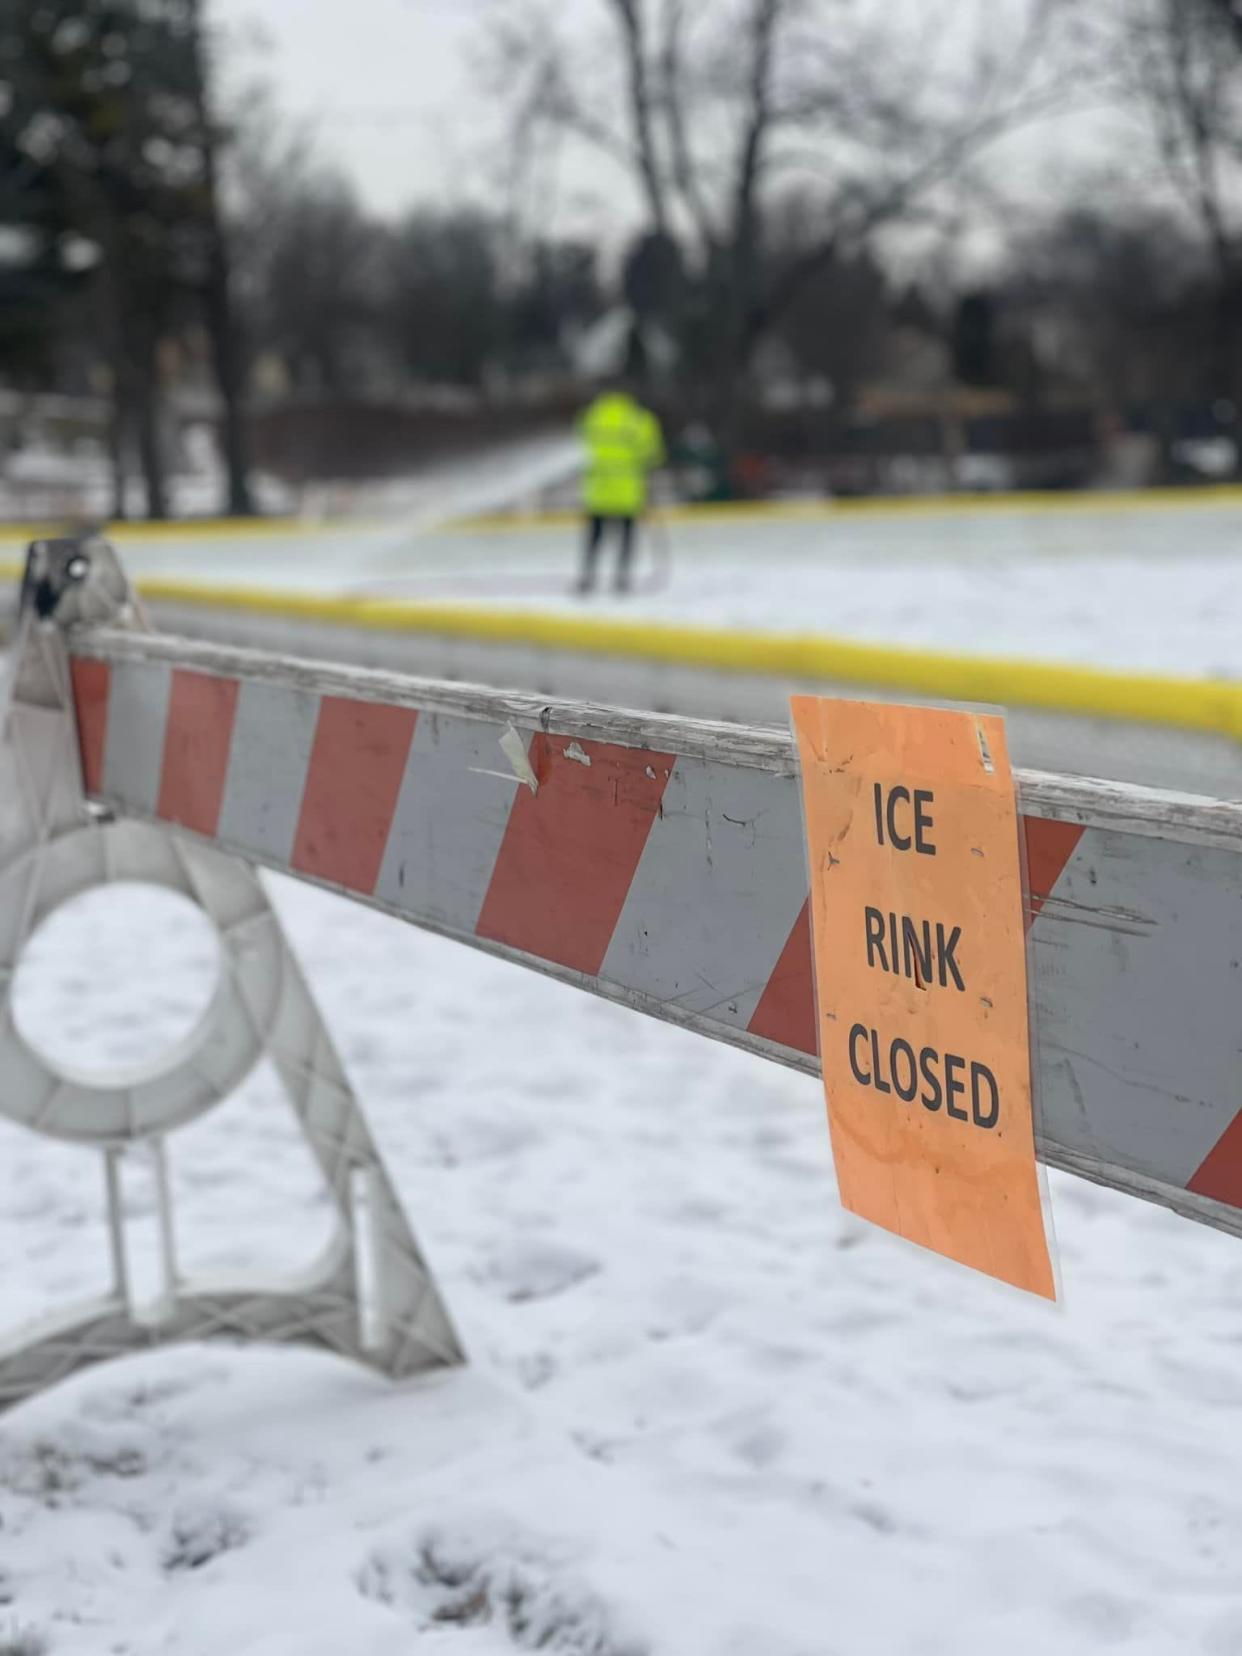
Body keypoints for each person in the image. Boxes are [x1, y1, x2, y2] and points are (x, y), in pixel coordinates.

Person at [576, 380, 665, 595]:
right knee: (626, 536)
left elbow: (579, 443)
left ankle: (588, 578)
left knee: (595, 536)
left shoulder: (592, 416)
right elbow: (653, 454)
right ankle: (621, 579)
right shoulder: (638, 419)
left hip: (597, 490)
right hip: (627, 491)